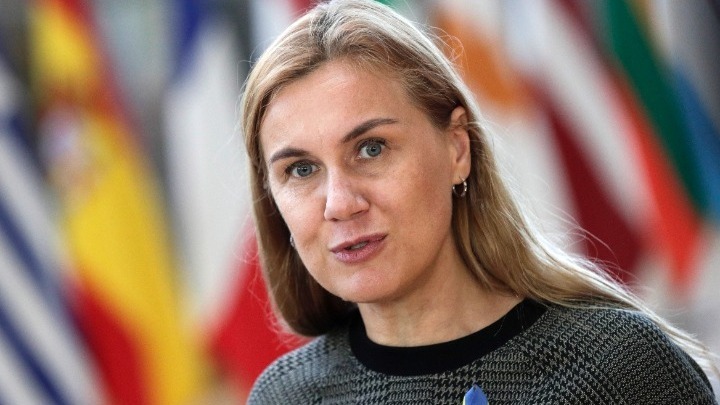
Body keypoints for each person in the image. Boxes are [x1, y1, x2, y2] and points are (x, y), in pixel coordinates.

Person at [240, 0, 718, 403]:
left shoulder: (622, 367)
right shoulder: (284, 397)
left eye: (372, 149)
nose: (340, 203)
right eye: (301, 170)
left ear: (457, 149)